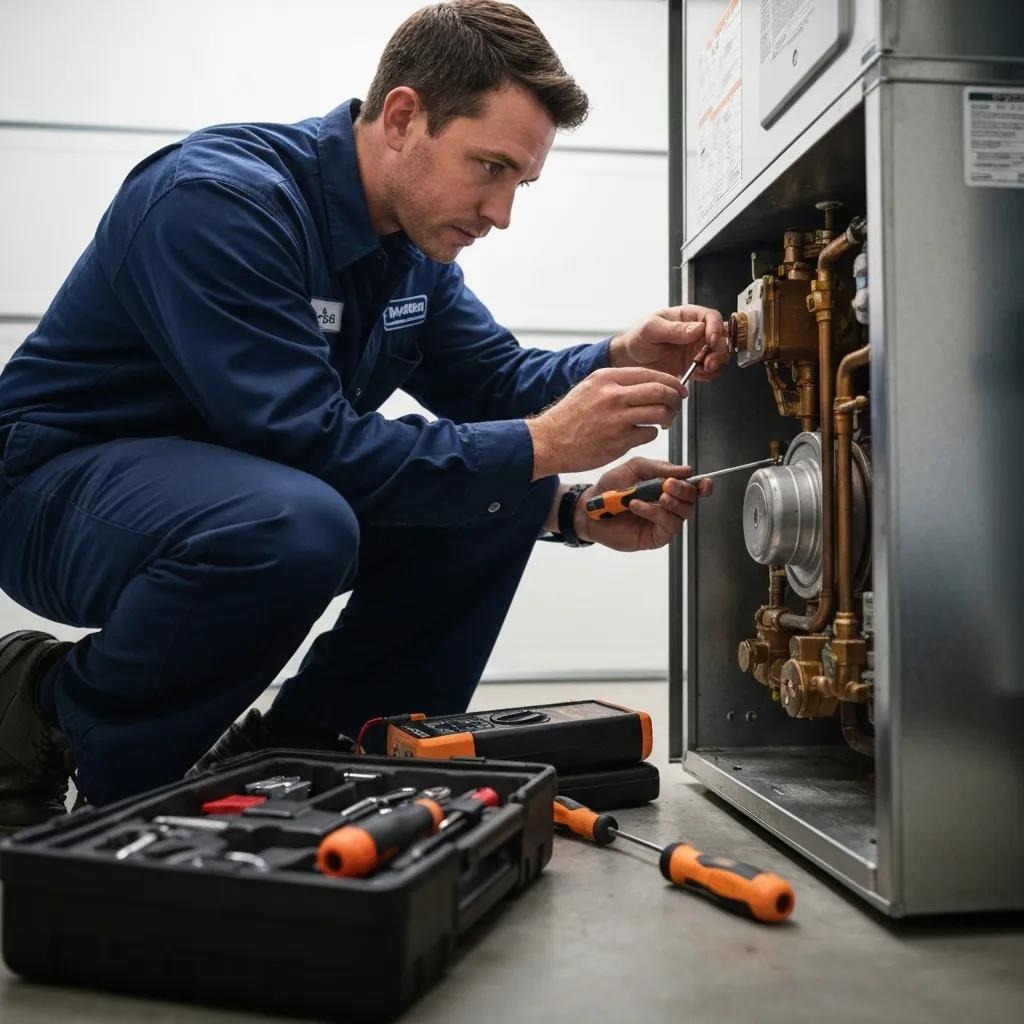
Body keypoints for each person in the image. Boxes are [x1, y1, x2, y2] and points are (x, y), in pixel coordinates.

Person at [0, 0, 727, 832]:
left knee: (504, 485)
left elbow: (497, 384)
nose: (502, 212)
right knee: (302, 519)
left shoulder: (411, 251)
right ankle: (59, 719)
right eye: (487, 167)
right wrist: (542, 446)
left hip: (235, 497)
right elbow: (307, 445)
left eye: (519, 183)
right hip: (51, 492)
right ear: (403, 116)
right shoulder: (220, 204)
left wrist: (612, 371)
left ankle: (317, 757)